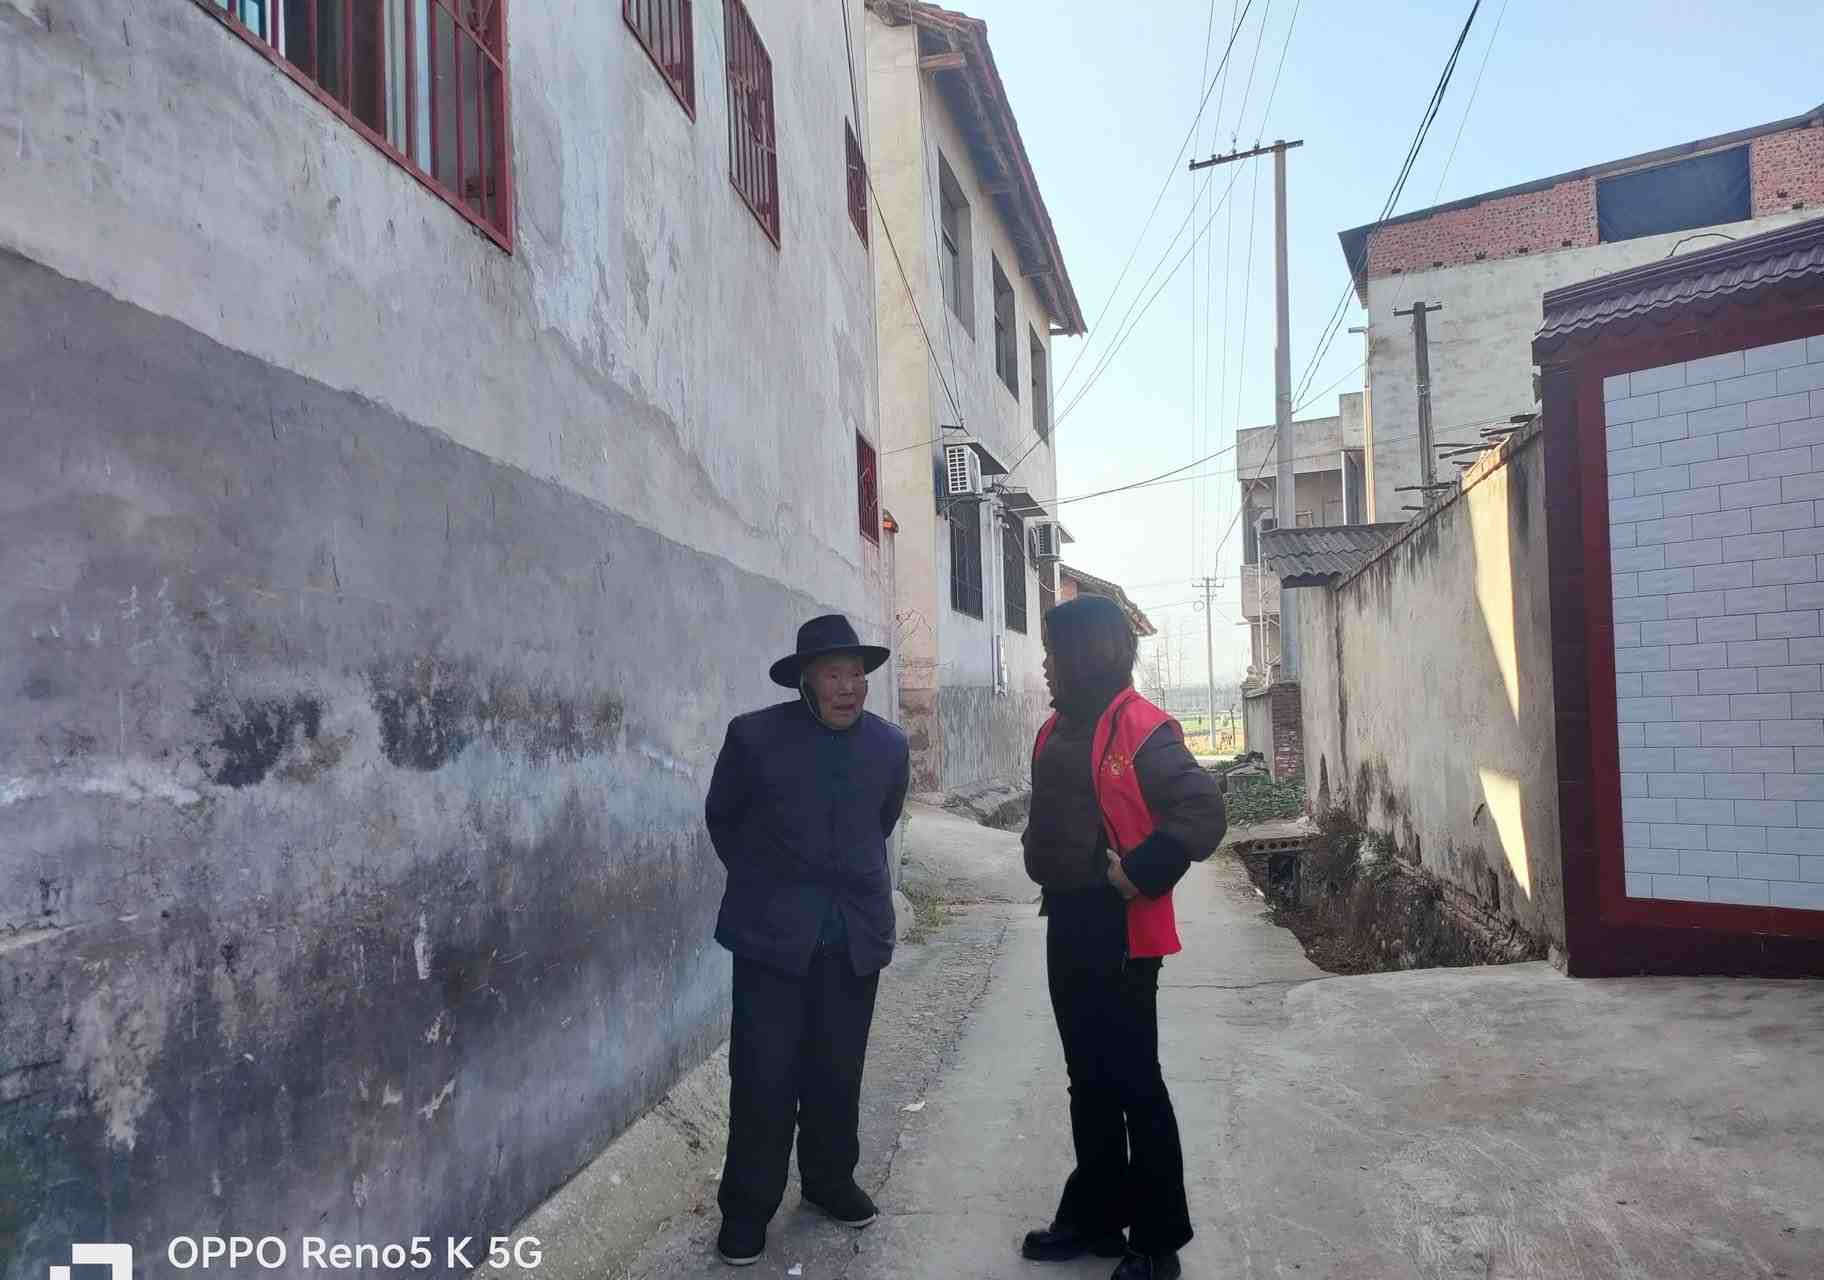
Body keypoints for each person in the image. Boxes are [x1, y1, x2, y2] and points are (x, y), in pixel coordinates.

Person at [1019, 594, 1228, 1280]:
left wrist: (1139, 872)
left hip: (1120, 928)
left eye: (1053, 652)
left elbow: (1202, 811)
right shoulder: (1057, 728)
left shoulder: (1140, 726)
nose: (1046, 666)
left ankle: (1158, 1242)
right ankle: (1097, 1217)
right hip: (1067, 920)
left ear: (1086, 655)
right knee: (1087, 1079)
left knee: (1135, 1082)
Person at [704, 614, 911, 1268]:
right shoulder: (754, 738)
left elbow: (882, 820)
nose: (849, 687)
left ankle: (828, 1181)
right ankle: (747, 1209)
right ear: (805, 681)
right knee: (762, 1078)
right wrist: (769, 885)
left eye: (857, 675)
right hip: (771, 939)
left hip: (853, 936)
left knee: (837, 1071)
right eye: (833, 674)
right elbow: (723, 819)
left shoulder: (889, 746)